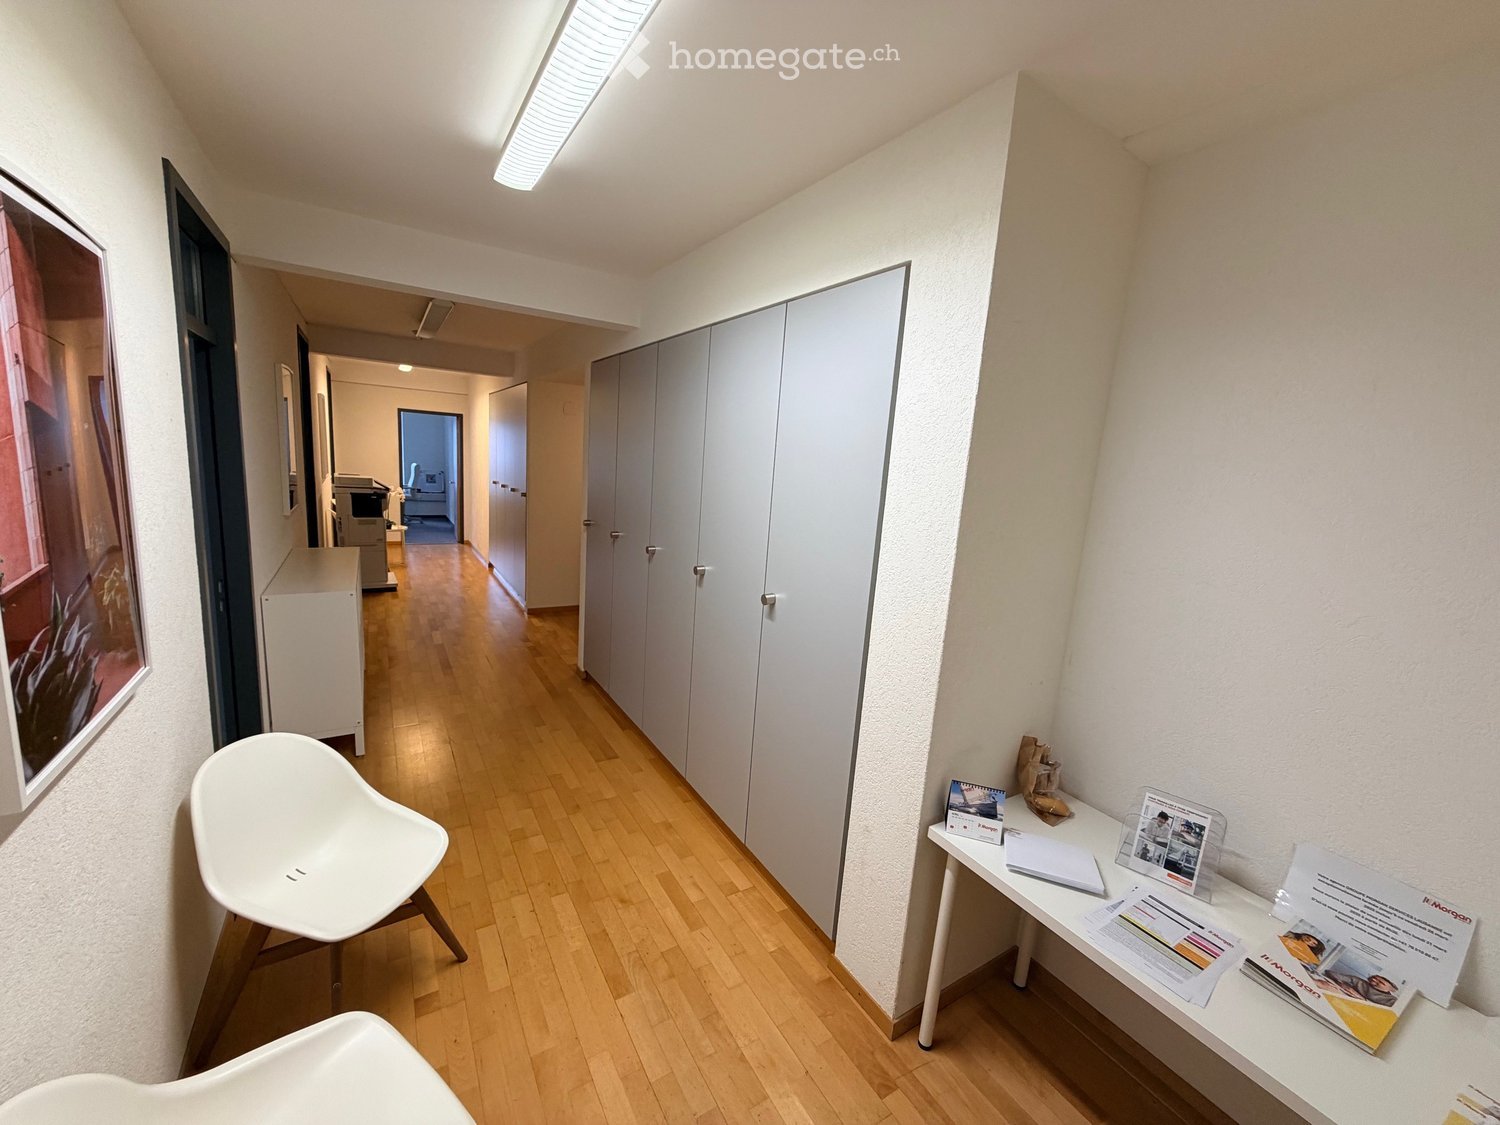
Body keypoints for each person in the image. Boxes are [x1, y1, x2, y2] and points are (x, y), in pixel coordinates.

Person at [1320, 970, 1399, 1006]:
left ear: (1390, 988)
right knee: (1324, 984)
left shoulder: (1392, 1000)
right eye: (1374, 979)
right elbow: (1329, 972)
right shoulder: (1360, 982)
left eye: (1381, 982)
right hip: (1347, 998)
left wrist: (1361, 998)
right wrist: (1340, 982)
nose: (1375, 980)